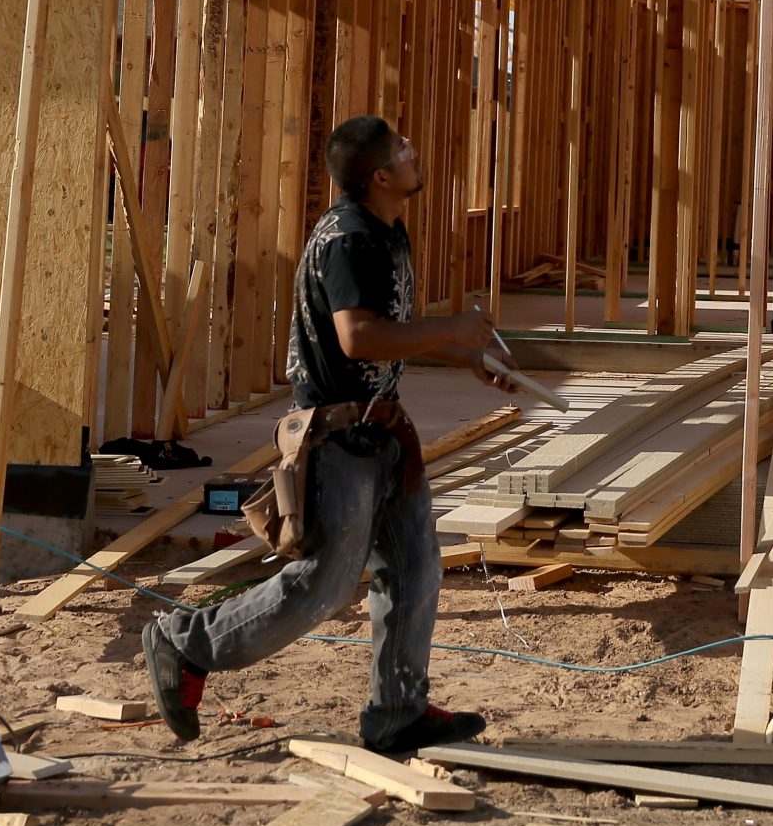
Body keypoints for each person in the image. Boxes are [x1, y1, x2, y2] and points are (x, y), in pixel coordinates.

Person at [142, 115, 512, 752]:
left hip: (384, 431)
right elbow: (356, 337)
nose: (413, 149)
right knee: (325, 583)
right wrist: (453, 328)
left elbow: (388, 335)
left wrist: (467, 359)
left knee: (416, 568)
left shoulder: (386, 231)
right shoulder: (348, 239)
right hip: (338, 440)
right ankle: (185, 642)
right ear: (381, 175)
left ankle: (397, 712)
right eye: (402, 147)